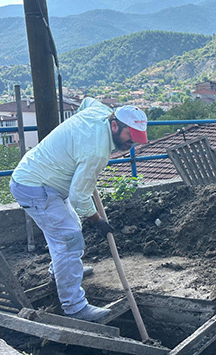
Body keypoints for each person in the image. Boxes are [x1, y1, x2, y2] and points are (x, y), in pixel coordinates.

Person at [9, 98, 148, 323]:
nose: (132, 142)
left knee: (68, 230)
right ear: (115, 125)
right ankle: (75, 307)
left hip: (42, 181)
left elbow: (85, 102)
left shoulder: (100, 111)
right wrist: (98, 220)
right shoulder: (97, 152)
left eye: (136, 138)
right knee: (69, 238)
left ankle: (63, 273)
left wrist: (74, 141)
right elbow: (79, 196)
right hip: (36, 187)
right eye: (129, 136)